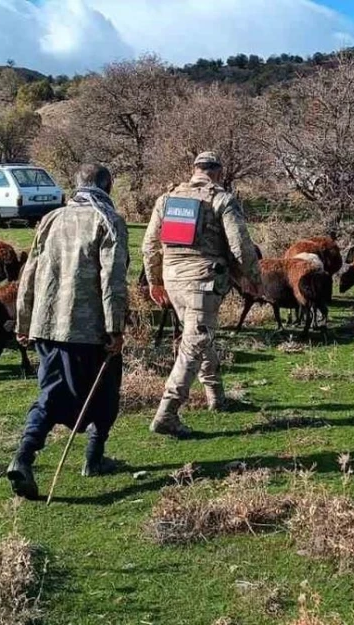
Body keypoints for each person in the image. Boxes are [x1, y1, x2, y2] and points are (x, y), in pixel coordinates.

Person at [7, 163, 129, 499]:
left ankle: (37, 455)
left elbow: (28, 271)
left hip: (46, 325)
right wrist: (115, 328)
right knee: (101, 392)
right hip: (88, 330)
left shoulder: (51, 218)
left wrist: (24, 320)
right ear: (109, 185)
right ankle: (82, 456)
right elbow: (113, 280)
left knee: (53, 392)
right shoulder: (109, 221)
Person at [142, 151, 261, 438]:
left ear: (194, 170)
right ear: (218, 172)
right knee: (194, 343)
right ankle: (167, 413)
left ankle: (216, 396)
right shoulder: (223, 199)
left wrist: (155, 281)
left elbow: (149, 245)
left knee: (199, 335)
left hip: (173, 279)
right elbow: (240, 247)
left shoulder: (167, 199)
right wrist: (254, 280)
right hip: (202, 281)